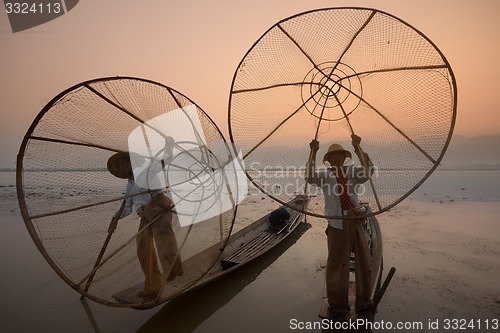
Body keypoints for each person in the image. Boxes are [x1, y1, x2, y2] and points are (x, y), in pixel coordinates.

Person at [307, 134, 374, 321]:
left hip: (355, 219)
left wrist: (358, 148)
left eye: (340, 156)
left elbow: (368, 172)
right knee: (337, 264)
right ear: (328, 160)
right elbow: (309, 178)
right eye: (333, 156)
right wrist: (313, 153)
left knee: (364, 261)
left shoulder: (352, 172)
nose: (337, 159)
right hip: (337, 223)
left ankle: (363, 301)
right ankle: (338, 304)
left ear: (344, 157)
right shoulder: (324, 175)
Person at [107, 142, 183, 302]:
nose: (123, 166)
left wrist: (168, 147)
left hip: (159, 206)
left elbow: (164, 162)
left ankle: (173, 268)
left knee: (163, 235)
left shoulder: (146, 171)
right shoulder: (129, 186)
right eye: (121, 164)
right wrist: (115, 218)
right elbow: (127, 207)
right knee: (142, 245)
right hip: (146, 214)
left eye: (125, 162)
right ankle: (153, 286)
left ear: (132, 163)